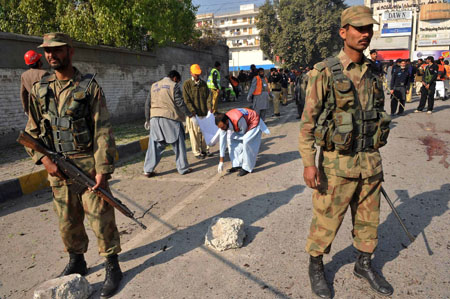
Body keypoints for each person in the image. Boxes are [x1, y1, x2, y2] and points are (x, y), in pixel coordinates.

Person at [298, 6, 393, 298]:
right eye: (359, 28)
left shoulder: (375, 72)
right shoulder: (324, 72)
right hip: (337, 165)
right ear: (343, 32)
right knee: (326, 220)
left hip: (370, 163)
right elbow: (307, 125)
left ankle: (363, 264)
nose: (365, 34)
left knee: (368, 221)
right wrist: (308, 164)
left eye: (369, 29)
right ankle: (316, 266)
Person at [24, 32, 122, 298]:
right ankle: (77, 259)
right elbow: (30, 132)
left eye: (56, 50)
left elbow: (103, 130)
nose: (51, 55)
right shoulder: (40, 89)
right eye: (47, 51)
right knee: (67, 221)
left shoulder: (89, 87)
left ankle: (113, 266)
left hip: (88, 166)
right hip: (57, 167)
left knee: (101, 219)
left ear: (70, 51)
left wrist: (102, 170)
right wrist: (44, 160)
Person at [143, 70, 193, 176]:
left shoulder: (154, 86)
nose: (178, 83)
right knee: (179, 144)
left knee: (155, 145)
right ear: (175, 78)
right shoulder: (173, 86)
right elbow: (180, 103)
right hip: (170, 118)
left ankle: (148, 169)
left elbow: (147, 104)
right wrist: (189, 114)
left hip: (154, 119)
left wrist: (148, 120)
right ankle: (183, 168)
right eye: (178, 81)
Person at [215, 108, 268, 177]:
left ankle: (247, 167)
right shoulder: (223, 125)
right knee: (231, 139)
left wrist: (243, 147)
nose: (222, 129)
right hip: (243, 125)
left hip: (253, 122)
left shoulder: (238, 119)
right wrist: (221, 161)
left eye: (222, 127)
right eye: (220, 128)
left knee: (247, 141)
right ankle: (237, 164)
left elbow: (244, 132)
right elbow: (222, 142)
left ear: (227, 121)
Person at [182, 64, 212, 160]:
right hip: (193, 115)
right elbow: (186, 100)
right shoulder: (186, 84)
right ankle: (196, 152)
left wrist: (209, 107)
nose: (197, 76)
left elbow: (208, 97)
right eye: (195, 74)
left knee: (204, 132)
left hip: (204, 113)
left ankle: (204, 149)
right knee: (194, 134)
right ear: (191, 73)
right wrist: (192, 111)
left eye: (198, 74)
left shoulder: (203, 84)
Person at [20, 50, 47, 114]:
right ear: (38, 62)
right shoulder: (44, 74)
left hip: (33, 109)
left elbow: (23, 93)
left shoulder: (24, 75)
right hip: (45, 108)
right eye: (39, 60)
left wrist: (26, 110)